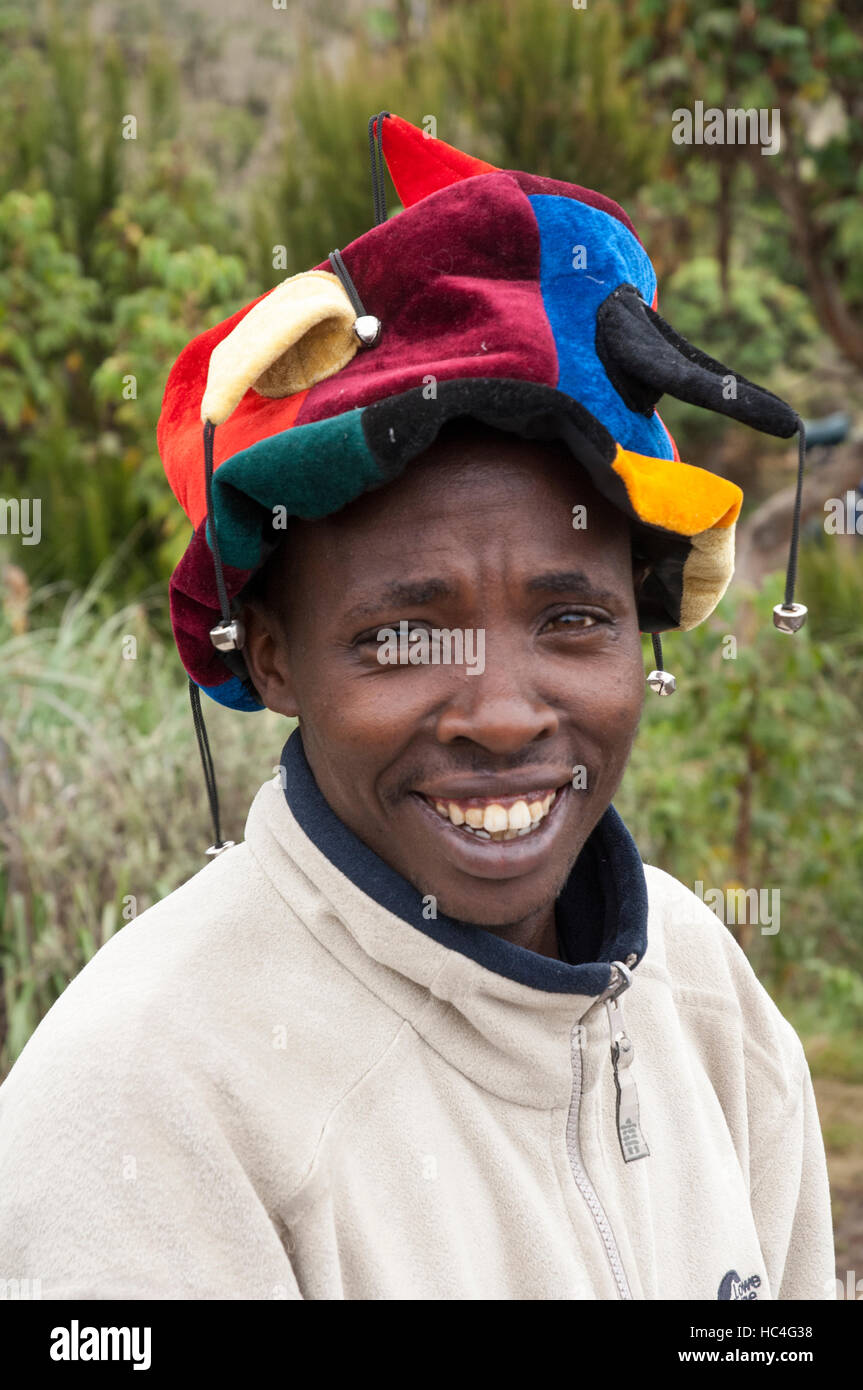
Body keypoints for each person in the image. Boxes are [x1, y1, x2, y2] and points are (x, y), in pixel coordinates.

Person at [0, 115, 832, 1300]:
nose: (502, 714)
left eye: (570, 620)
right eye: (401, 635)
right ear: (275, 658)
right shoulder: (145, 1103)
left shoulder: (697, 991)